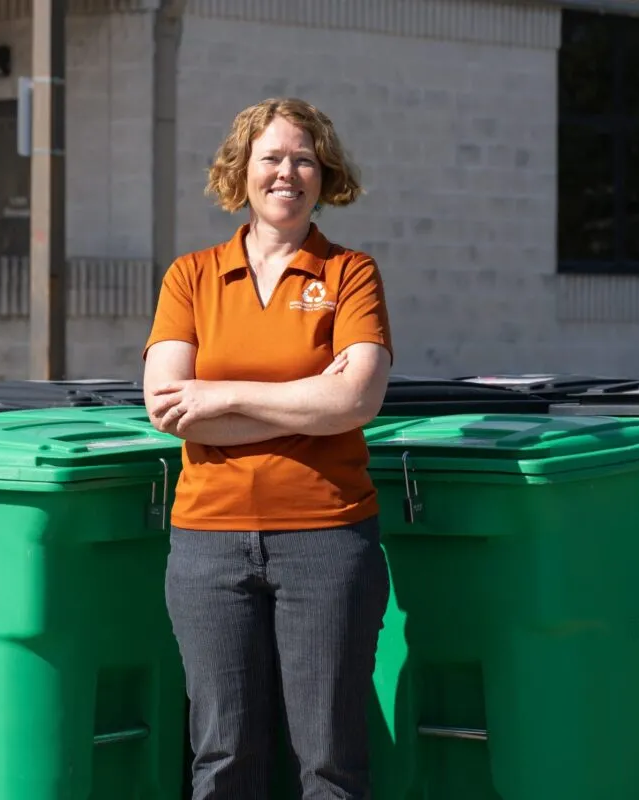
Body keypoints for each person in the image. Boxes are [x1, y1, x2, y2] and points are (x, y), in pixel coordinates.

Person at [142, 97, 393, 800]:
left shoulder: (351, 274)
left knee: (330, 763)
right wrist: (308, 401)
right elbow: (168, 407)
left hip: (327, 539)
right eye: (272, 158)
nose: (289, 173)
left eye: (304, 159)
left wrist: (220, 397)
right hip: (208, 545)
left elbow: (357, 400)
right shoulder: (189, 277)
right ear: (241, 172)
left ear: (325, 173)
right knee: (223, 760)